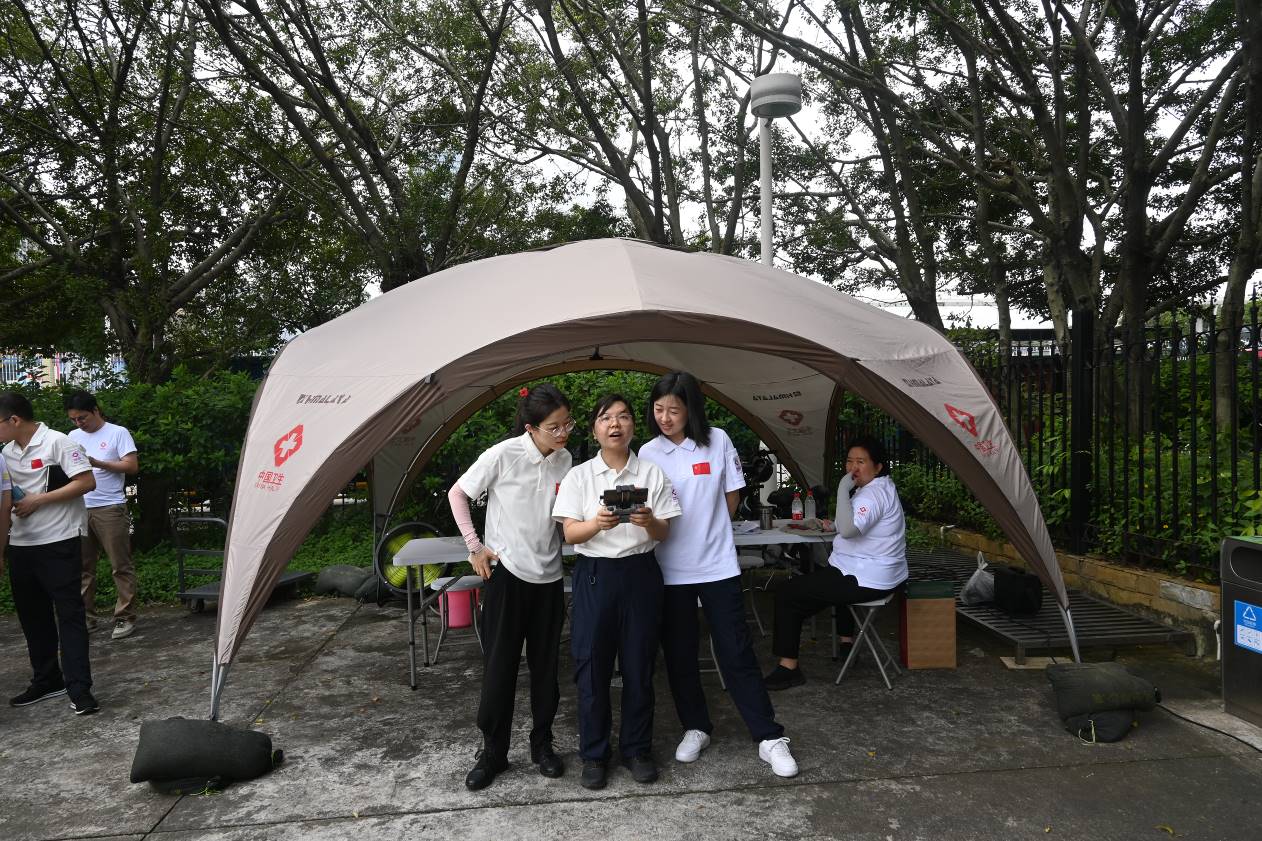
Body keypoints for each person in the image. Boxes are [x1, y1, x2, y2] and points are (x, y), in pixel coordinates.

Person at [637, 372, 798, 777]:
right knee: (680, 654)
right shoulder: (648, 452)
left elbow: (732, 495)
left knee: (736, 650)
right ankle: (696, 727)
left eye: (674, 410)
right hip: (669, 569)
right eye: (659, 409)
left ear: (691, 409)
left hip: (717, 565)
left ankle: (769, 736)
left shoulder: (717, 440)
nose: (665, 418)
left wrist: (711, 532)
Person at [448, 384, 574, 791]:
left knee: (546, 670)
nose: (563, 433)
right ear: (531, 427)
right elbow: (458, 493)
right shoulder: (503, 454)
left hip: (549, 579)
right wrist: (475, 547)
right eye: (554, 427)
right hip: (507, 576)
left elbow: (561, 518)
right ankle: (493, 753)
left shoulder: (565, 460)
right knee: (500, 668)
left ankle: (543, 745)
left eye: (567, 424)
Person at [553, 394, 681, 790]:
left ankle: (637, 749)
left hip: (641, 573)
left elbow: (665, 531)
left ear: (632, 427)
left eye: (623, 417)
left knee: (640, 665)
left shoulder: (652, 473)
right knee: (592, 666)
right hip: (596, 575)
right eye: (606, 418)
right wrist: (596, 524)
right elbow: (569, 533)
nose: (615, 424)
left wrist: (648, 521)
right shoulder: (579, 477)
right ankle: (594, 755)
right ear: (594, 429)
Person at [764, 435, 907, 690]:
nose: (853, 468)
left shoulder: (872, 494)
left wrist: (842, 489)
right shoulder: (882, 487)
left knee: (787, 593)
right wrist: (834, 525)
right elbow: (851, 523)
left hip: (867, 576)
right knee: (825, 574)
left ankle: (788, 668)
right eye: (850, 461)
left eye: (861, 462)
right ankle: (846, 641)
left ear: (878, 467)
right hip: (878, 572)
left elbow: (850, 530)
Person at [0, 391, 99, 714]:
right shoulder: (6, 453)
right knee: (32, 617)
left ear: (14, 420)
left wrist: (38, 500)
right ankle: (47, 679)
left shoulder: (58, 442)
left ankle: (79, 688)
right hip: (21, 543)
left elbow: (86, 482)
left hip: (59, 540)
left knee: (69, 615)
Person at [65, 391, 139, 640]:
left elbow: (131, 466)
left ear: (96, 410)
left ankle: (125, 617)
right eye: (73, 419)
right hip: (79, 506)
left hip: (110, 507)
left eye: (82, 418)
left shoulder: (118, 432)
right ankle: (86, 618)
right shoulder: (72, 437)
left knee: (120, 565)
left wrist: (98, 463)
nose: (78, 423)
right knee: (83, 567)